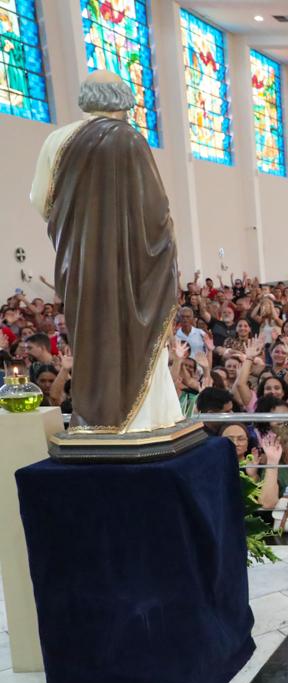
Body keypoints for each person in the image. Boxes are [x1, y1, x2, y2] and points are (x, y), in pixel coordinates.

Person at [30, 71, 184, 432]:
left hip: (79, 265)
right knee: (136, 336)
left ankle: (96, 420)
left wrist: (79, 230)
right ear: (123, 99)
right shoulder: (130, 139)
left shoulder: (58, 140)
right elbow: (156, 211)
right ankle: (142, 420)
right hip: (132, 268)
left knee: (91, 338)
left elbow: (40, 200)